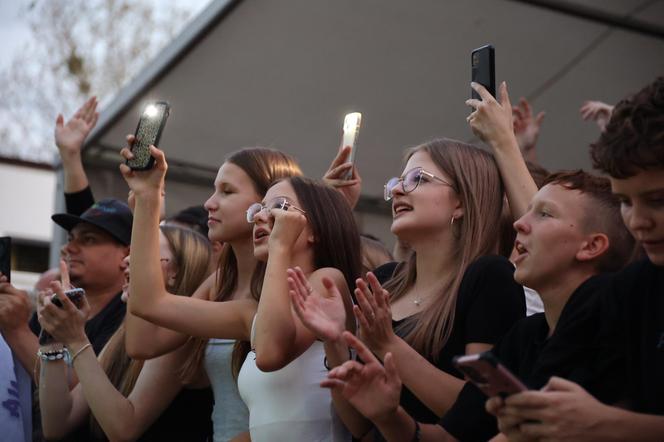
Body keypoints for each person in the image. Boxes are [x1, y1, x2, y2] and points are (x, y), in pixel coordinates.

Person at [122, 141, 361, 440]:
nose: (260, 216)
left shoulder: (328, 281)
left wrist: (279, 249)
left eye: (279, 207)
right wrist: (147, 201)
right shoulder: (252, 312)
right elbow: (149, 304)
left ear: (315, 230)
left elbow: (271, 353)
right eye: (260, 208)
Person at [296, 138, 526, 439]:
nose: (396, 190)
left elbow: (484, 410)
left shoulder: (490, 276)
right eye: (398, 181)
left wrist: (390, 345)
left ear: (462, 201)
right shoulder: (386, 279)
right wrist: (334, 341)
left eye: (419, 179)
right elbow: (361, 427)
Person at [487, 77, 664, 440]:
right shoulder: (627, 293)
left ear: (593, 246)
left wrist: (610, 425)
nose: (639, 221)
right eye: (626, 202)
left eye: (658, 200)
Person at [38, 225, 213, 441]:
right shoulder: (124, 334)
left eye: (143, 254)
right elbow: (57, 425)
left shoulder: (182, 335)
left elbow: (123, 430)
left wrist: (75, 339)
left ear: (176, 273)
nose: (127, 261)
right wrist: (52, 336)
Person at [0, 199, 131, 382]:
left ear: (126, 254)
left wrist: (17, 330)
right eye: (70, 239)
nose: (68, 248)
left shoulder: (130, 317)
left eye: (89, 239)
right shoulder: (58, 305)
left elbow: (84, 393)